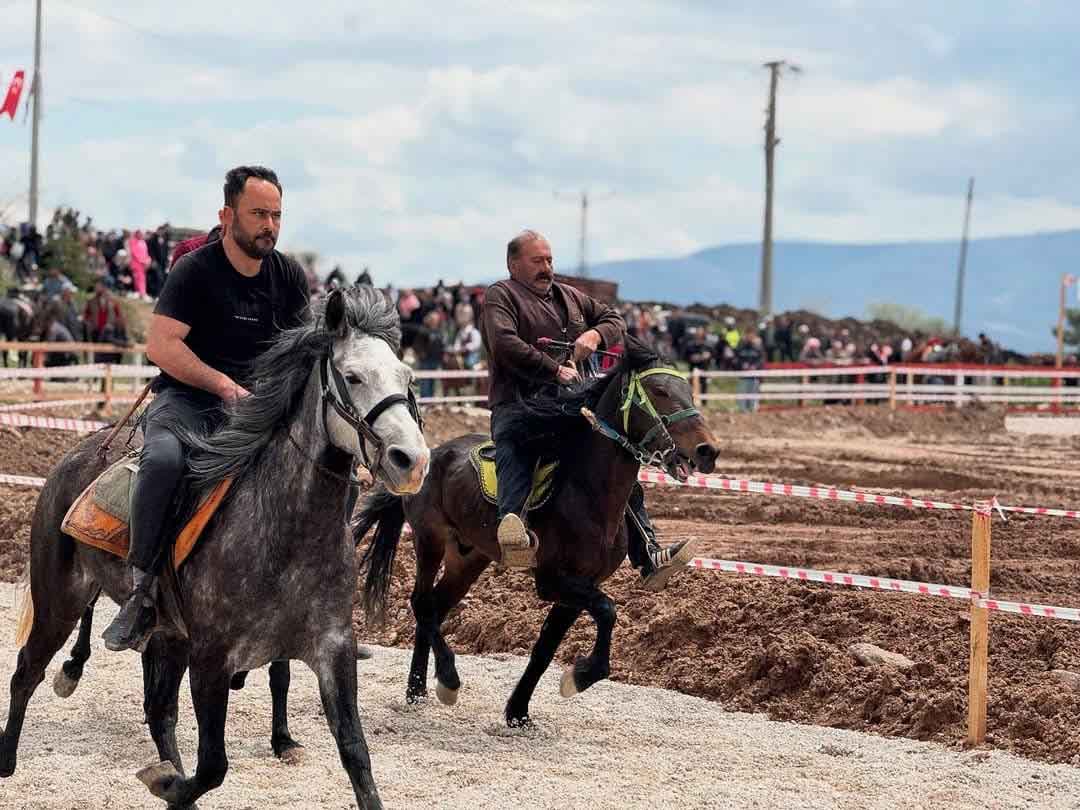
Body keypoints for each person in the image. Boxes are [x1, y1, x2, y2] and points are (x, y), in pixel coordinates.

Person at [102, 165, 310, 652]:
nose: (270, 226)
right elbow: (161, 346)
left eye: (277, 215)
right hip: (189, 401)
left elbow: (306, 350)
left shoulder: (288, 275)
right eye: (259, 213)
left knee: (327, 467)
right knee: (163, 461)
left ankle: (315, 603)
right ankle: (141, 591)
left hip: (258, 409)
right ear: (227, 214)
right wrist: (224, 386)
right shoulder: (194, 271)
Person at [481, 229, 692, 588]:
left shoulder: (569, 295)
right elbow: (504, 344)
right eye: (537, 261)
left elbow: (614, 320)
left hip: (569, 406)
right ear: (513, 264)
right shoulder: (500, 295)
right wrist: (553, 368)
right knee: (515, 445)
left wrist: (594, 336)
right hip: (518, 407)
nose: (546, 267)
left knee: (612, 463)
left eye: (549, 259)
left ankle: (649, 554)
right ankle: (513, 528)